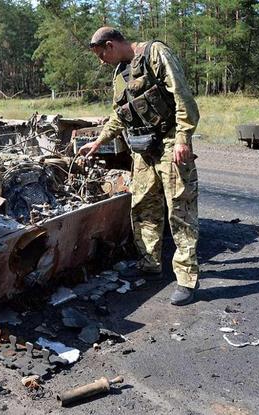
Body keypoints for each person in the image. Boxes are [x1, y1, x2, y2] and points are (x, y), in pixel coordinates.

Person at [80, 27, 200, 306]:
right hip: (142, 148)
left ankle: (186, 278)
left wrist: (183, 139)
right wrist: (99, 141)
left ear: (110, 45)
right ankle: (150, 264)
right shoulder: (120, 73)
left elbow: (183, 97)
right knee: (144, 207)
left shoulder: (156, 54)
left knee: (180, 210)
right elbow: (120, 114)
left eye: (101, 55)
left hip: (170, 142)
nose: (102, 61)